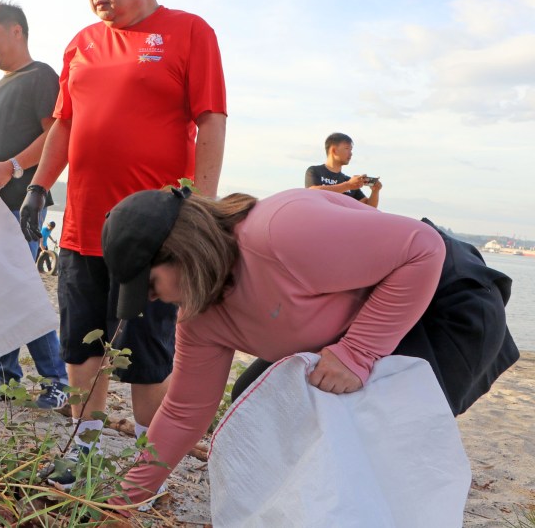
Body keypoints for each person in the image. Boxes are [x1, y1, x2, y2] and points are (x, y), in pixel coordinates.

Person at [99, 185, 516, 509]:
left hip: (441, 301)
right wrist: (122, 499)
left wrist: (358, 353)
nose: (151, 301)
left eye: (149, 286)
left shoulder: (279, 231)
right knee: (253, 402)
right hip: (360, 318)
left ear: (184, 252)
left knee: (378, 437)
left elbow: (423, 248)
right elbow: (184, 412)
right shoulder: (200, 318)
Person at [19, 0, 227, 471]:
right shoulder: (81, 43)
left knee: (145, 353)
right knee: (81, 347)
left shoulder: (189, 32)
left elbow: (211, 121)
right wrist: (39, 187)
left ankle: (145, 460)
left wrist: (199, 212)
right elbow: (65, 125)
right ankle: (81, 448)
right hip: (82, 226)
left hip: (151, 235)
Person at [0, 1, 69, 411]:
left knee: (21, 293)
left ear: (17, 31)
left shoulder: (41, 76)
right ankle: (4, 378)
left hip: (21, 205)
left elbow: (58, 136)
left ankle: (56, 379)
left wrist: (14, 167)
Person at [305, 132, 382, 208]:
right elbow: (313, 192)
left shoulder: (348, 181)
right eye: (347, 148)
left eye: (351, 150)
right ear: (334, 150)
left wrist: (375, 191)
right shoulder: (314, 171)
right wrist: (348, 185)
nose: (351, 153)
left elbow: (368, 208)